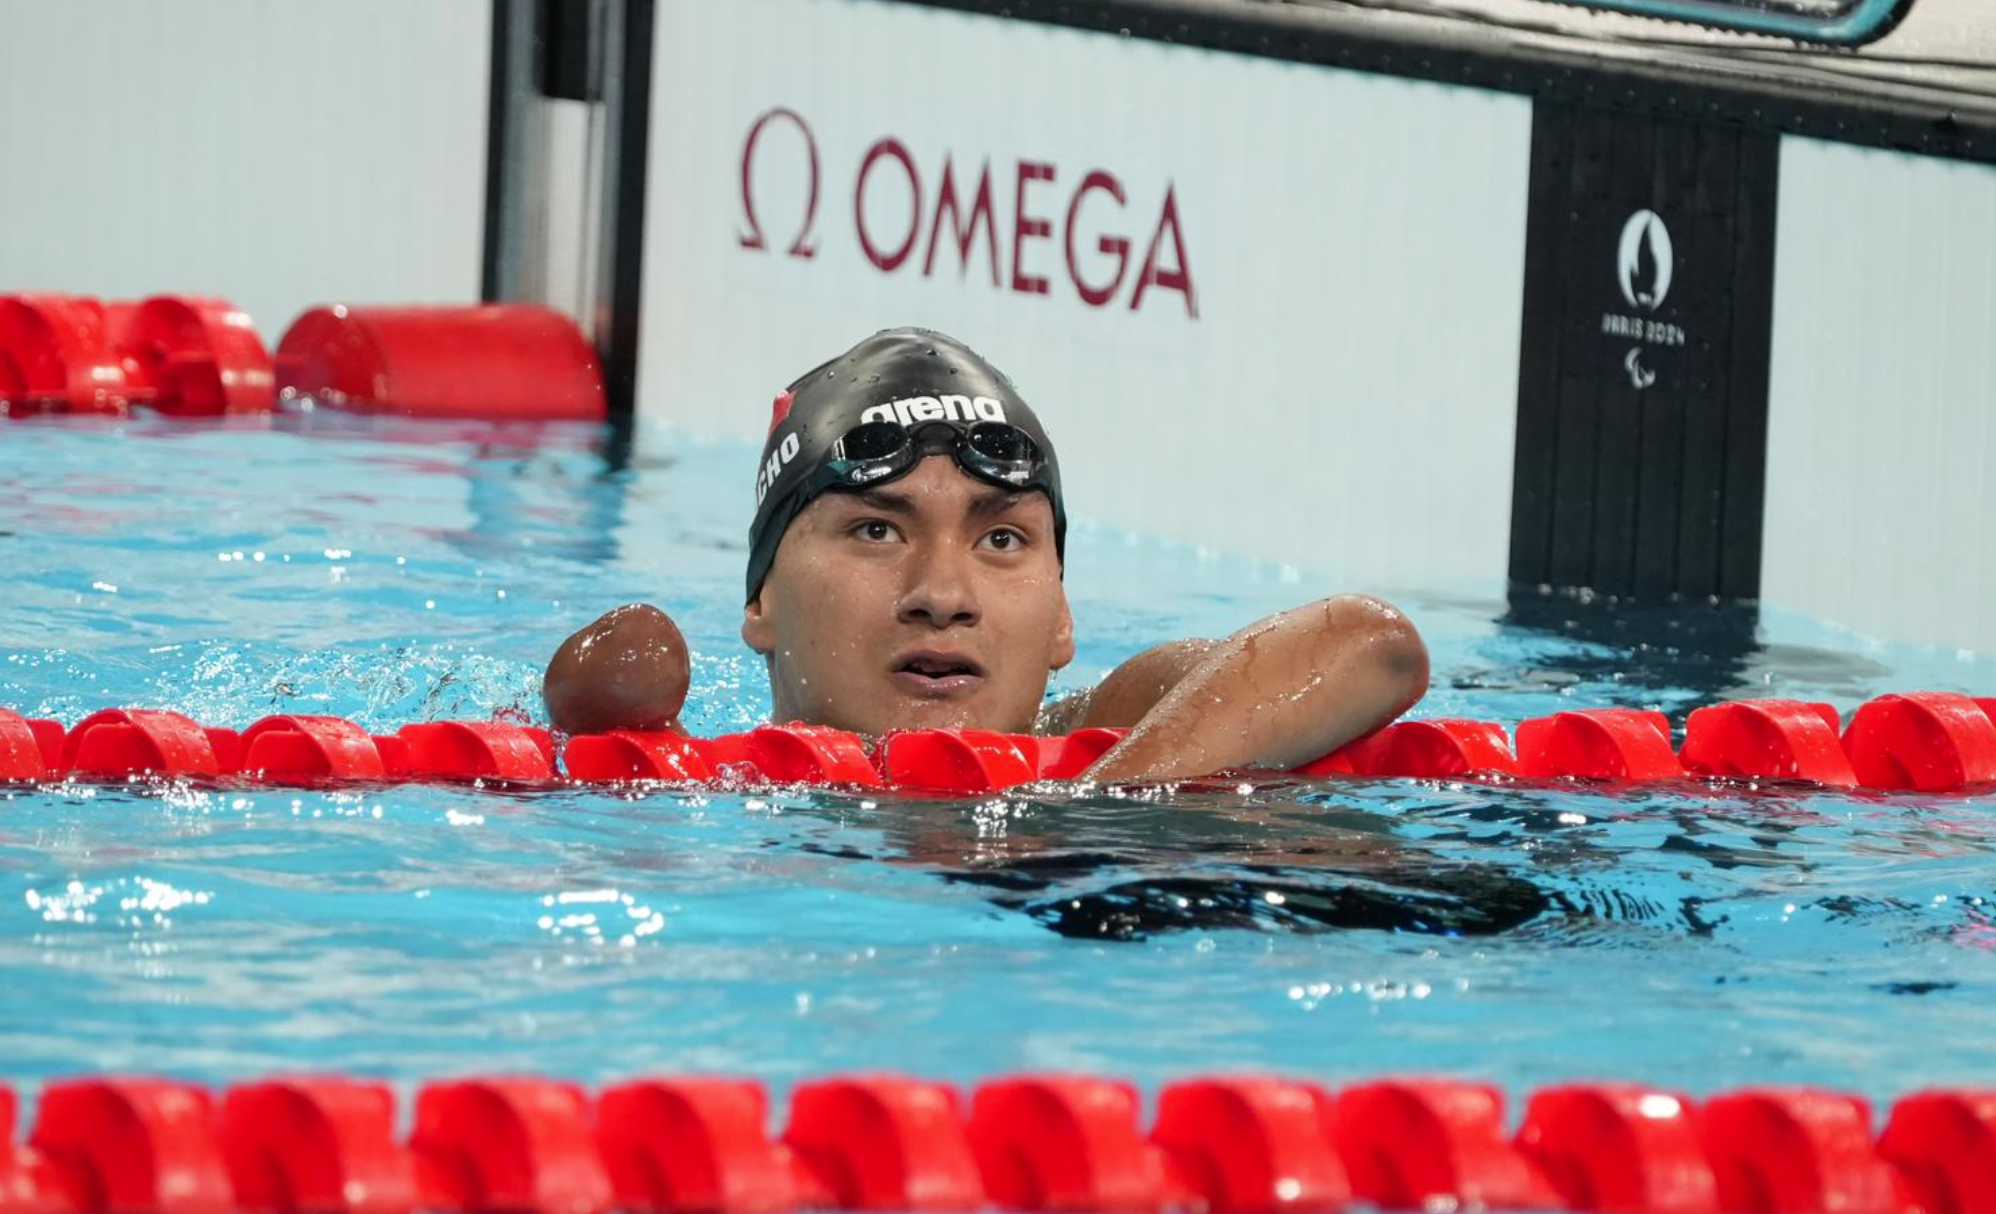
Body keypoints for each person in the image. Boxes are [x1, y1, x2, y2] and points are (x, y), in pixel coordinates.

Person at [542, 328, 1428, 783]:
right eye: (877, 530)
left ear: (1063, 617)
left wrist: (1097, 821)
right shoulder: (696, 784)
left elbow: (1371, 645)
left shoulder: (1112, 726)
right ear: (761, 599)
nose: (943, 595)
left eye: (1001, 539)